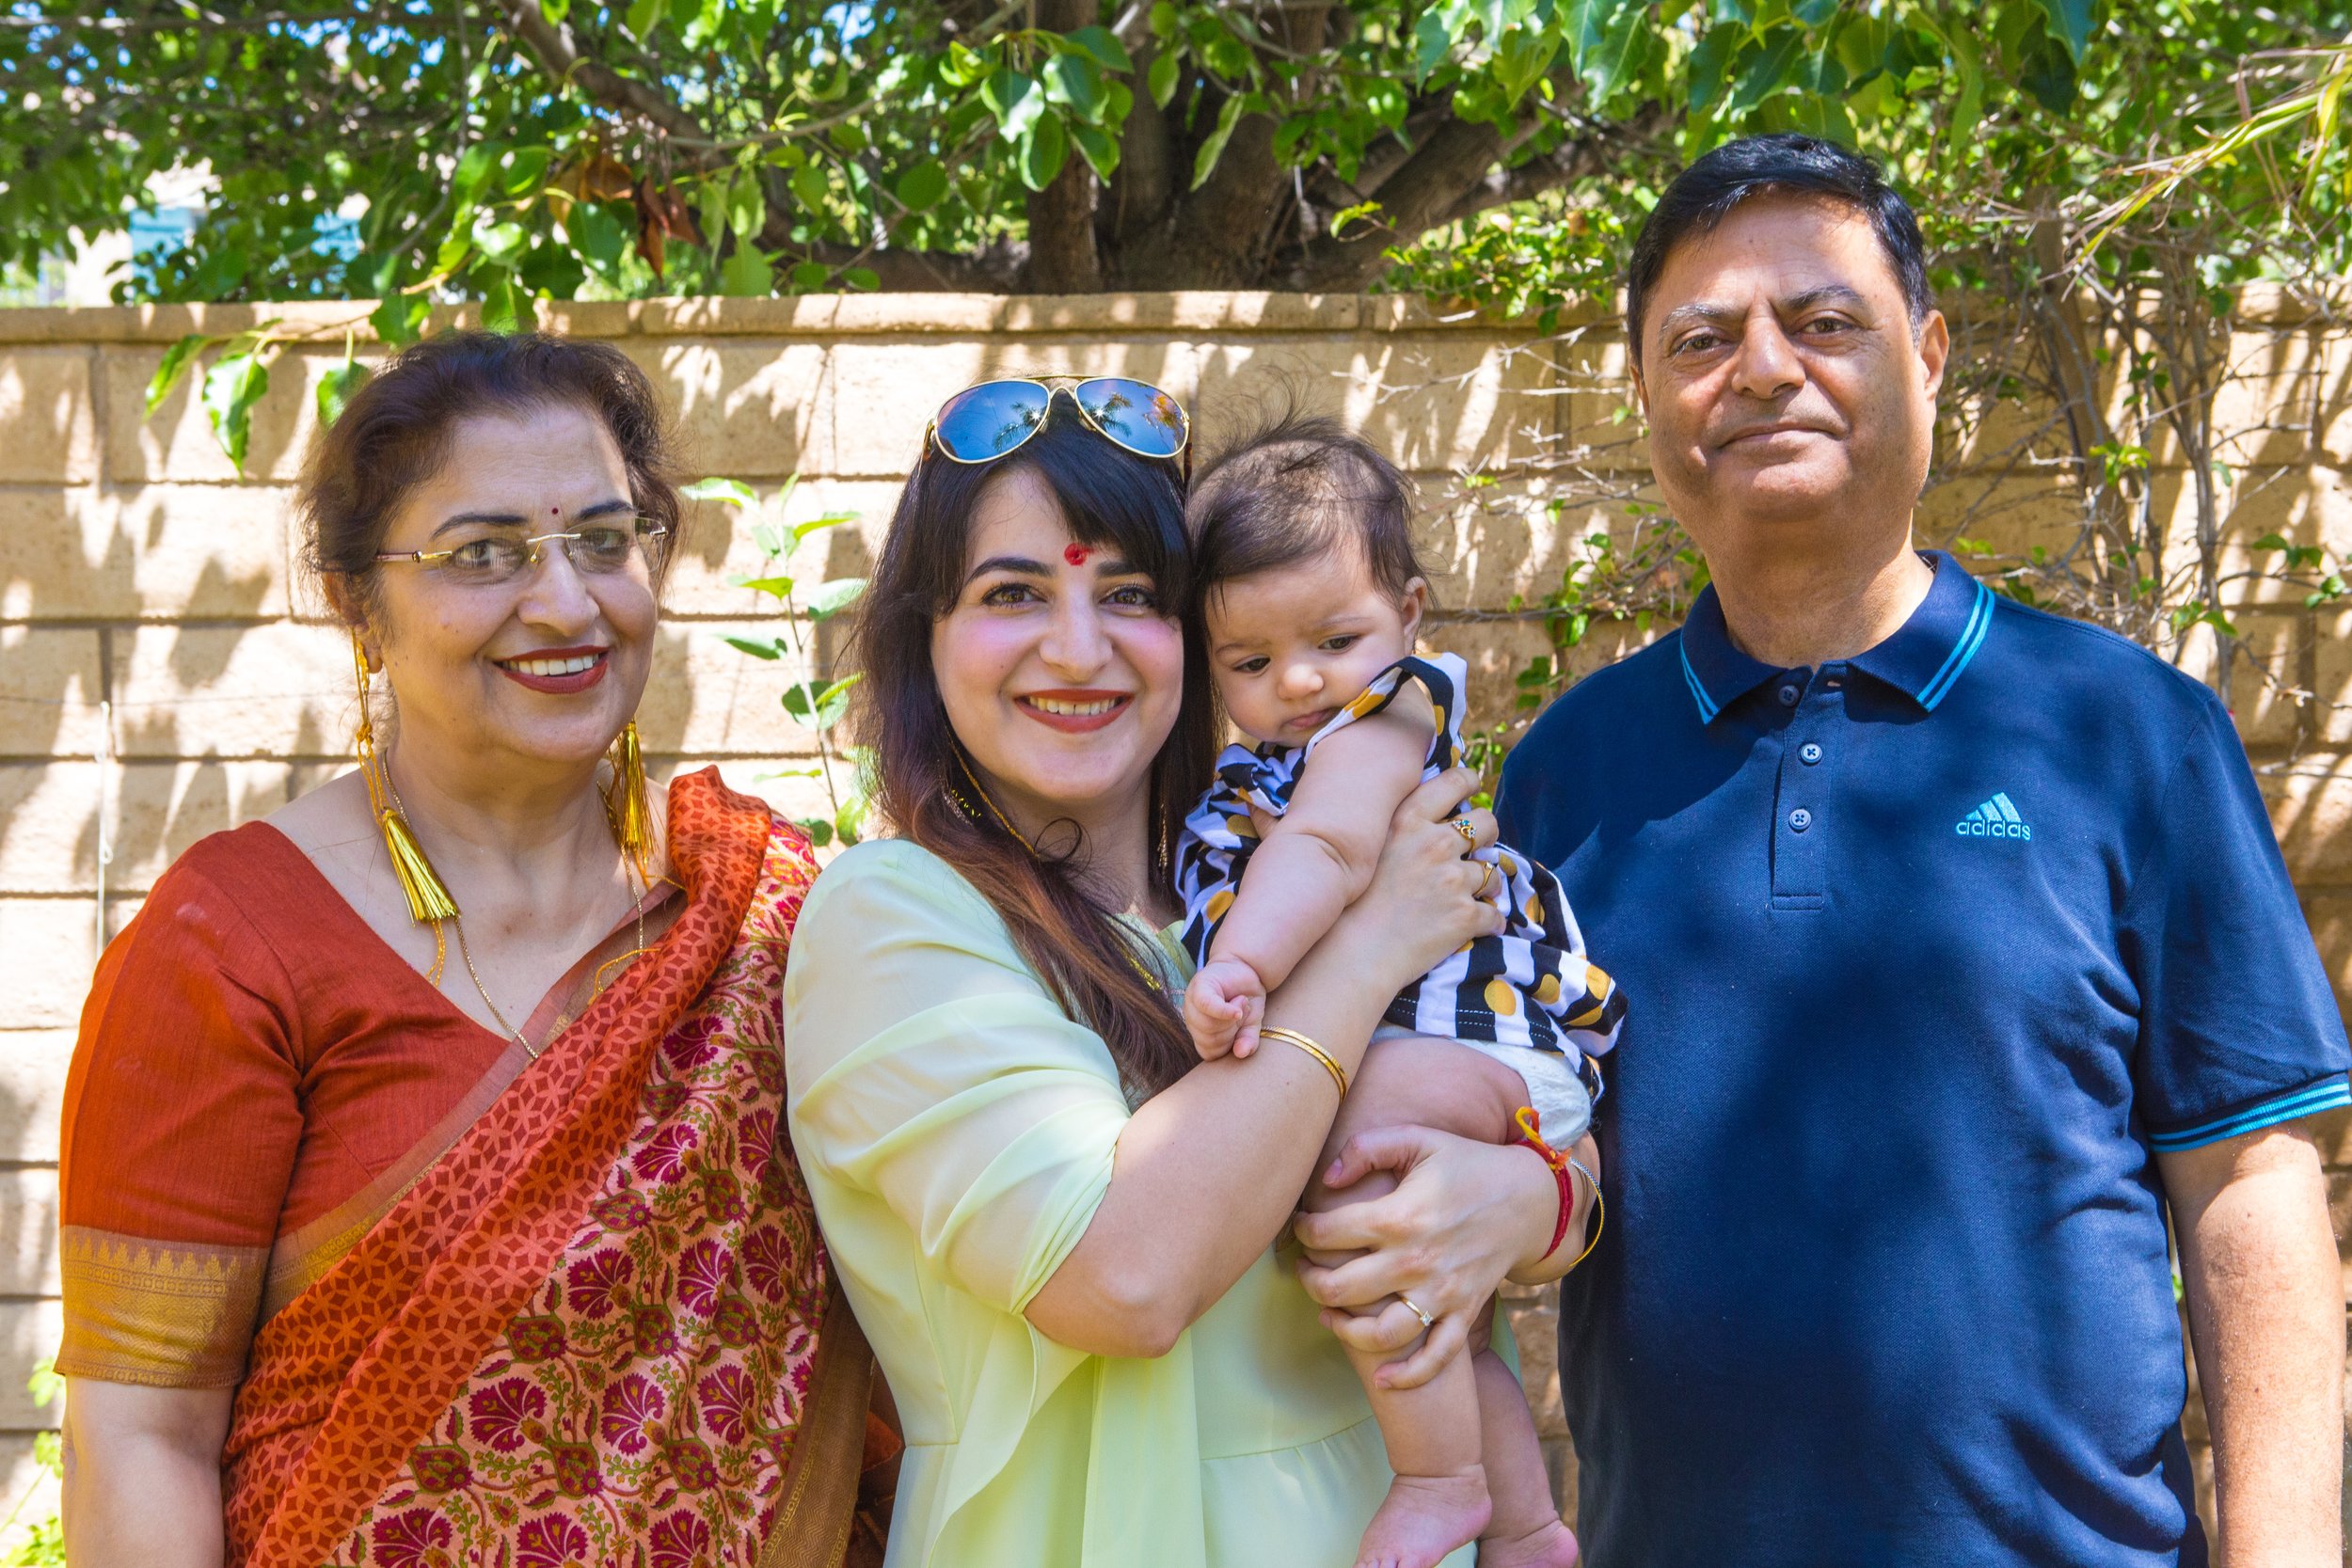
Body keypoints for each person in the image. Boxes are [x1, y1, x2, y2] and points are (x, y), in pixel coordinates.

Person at [1497, 133, 2350, 1567]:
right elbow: (1515, 1171)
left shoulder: (2128, 732)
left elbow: (2251, 1186)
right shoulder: (1565, 778)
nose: (1763, 368)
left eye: (1824, 321)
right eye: (1701, 339)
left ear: (1931, 355)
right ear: (1644, 395)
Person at [56, 332, 868, 1568]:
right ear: (357, 602)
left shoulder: (767, 913)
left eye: (604, 539)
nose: (566, 603)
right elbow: (138, 1432)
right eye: (482, 553)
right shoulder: (232, 942)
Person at [783, 376, 1597, 1568]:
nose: (1079, 647)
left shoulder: (1244, 895)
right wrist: (1371, 945)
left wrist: (1536, 1200)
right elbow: (1125, 1278)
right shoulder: (895, 917)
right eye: (1013, 592)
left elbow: (1534, 1116)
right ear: (928, 633)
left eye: (1129, 595)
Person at [1174, 417, 1620, 1568]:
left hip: (1475, 1038)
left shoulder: (1386, 718)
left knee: (1351, 1167)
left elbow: (1324, 850)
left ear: (1409, 613)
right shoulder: (1261, 766)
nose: (1299, 679)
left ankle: (1437, 1479)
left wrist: (1242, 965)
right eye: (1249, 661)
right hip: (1450, 1050)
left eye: (1335, 638)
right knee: (1431, 1303)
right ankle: (1525, 1526)